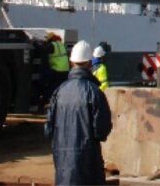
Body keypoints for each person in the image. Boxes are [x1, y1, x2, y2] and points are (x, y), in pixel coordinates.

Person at [45, 39, 113, 186]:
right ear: (90, 63)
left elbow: (48, 129)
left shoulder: (59, 92)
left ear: (71, 63)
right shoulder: (94, 92)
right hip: (88, 166)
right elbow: (102, 130)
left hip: (62, 166)